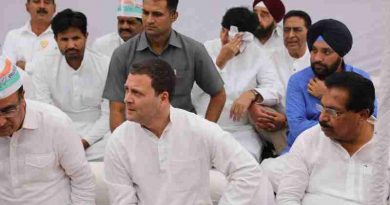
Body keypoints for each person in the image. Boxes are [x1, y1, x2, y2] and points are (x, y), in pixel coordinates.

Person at [104, 58, 275, 205]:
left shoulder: (198, 129)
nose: (127, 99)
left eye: (136, 93)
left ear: (163, 98)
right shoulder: (119, 140)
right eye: (126, 90)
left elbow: (248, 171)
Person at [103, 0, 226, 132]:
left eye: (157, 14)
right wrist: (123, 146)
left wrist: (204, 134)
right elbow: (117, 108)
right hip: (138, 134)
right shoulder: (123, 54)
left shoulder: (193, 50)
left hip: (182, 132)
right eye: (145, 13)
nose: (149, 20)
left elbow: (219, 94)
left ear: (173, 16)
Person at [0, 56, 95, 205]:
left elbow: (83, 180)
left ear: (22, 98)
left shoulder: (55, 124)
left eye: (8, 110)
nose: (1, 122)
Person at [277, 72, 384, 205]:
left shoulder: (384, 146)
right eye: (322, 108)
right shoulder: (308, 140)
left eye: (332, 111)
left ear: (363, 115)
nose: (322, 118)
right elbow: (287, 197)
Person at [192, 7, 282, 161]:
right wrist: (219, 62)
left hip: (242, 131)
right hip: (204, 125)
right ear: (222, 31)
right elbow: (192, 90)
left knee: (244, 166)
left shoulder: (259, 55)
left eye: (239, 39)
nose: (229, 41)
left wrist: (252, 94)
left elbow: (276, 90)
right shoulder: (205, 49)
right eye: (226, 34)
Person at [285, 18, 377, 152]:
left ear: (341, 54)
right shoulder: (298, 81)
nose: (317, 58)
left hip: (350, 150)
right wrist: (344, 125)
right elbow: (297, 128)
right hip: (305, 149)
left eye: (326, 52)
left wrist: (327, 96)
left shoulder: (360, 78)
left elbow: (371, 122)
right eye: (314, 50)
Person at [32, 9, 110, 161]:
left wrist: (85, 141)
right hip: (59, 131)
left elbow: (108, 115)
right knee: (38, 147)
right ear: (55, 39)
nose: (71, 45)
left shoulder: (105, 64)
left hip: (97, 136)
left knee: (113, 146)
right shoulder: (43, 64)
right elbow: (45, 112)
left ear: (86, 37)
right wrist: (67, 141)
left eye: (76, 38)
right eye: (64, 39)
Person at [249, 10, 312, 155]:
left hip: (308, 124)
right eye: (287, 30)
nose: (291, 36)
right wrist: (252, 104)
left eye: (297, 30)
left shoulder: (317, 60)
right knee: (264, 114)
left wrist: (288, 120)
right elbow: (258, 87)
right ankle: (287, 158)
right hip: (278, 123)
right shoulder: (269, 57)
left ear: (309, 32)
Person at [2, 0, 57, 72]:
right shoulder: (13, 37)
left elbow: (59, 73)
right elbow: (7, 73)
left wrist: (26, 66)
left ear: (54, 8)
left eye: (47, 2)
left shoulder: (63, 38)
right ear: (27, 7)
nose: (42, 6)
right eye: (37, 2)